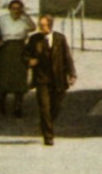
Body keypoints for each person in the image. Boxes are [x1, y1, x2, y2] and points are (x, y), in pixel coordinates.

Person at [25, 13, 76, 145]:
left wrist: (72, 74)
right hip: (42, 79)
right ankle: (48, 136)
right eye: (39, 25)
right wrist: (30, 61)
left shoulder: (59, 38)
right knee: (44, 107)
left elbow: (67, 57)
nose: (40, 28)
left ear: (50, 26)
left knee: (56, 106)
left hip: (58, 78)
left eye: (43, 26)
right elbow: (25, 55)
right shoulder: (34, 39)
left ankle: (47, 124)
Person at [0, 0, 36, 116]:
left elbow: (33, 27)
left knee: (19, 79)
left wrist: (26, 15)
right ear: (9, 9)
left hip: (19, 49)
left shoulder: (24, 21)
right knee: (4, 78)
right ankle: (1, 105)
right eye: (13, 8)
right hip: (6, 49)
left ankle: (17, 107)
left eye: (18, 9)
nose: (16, 11)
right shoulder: (2, 20)